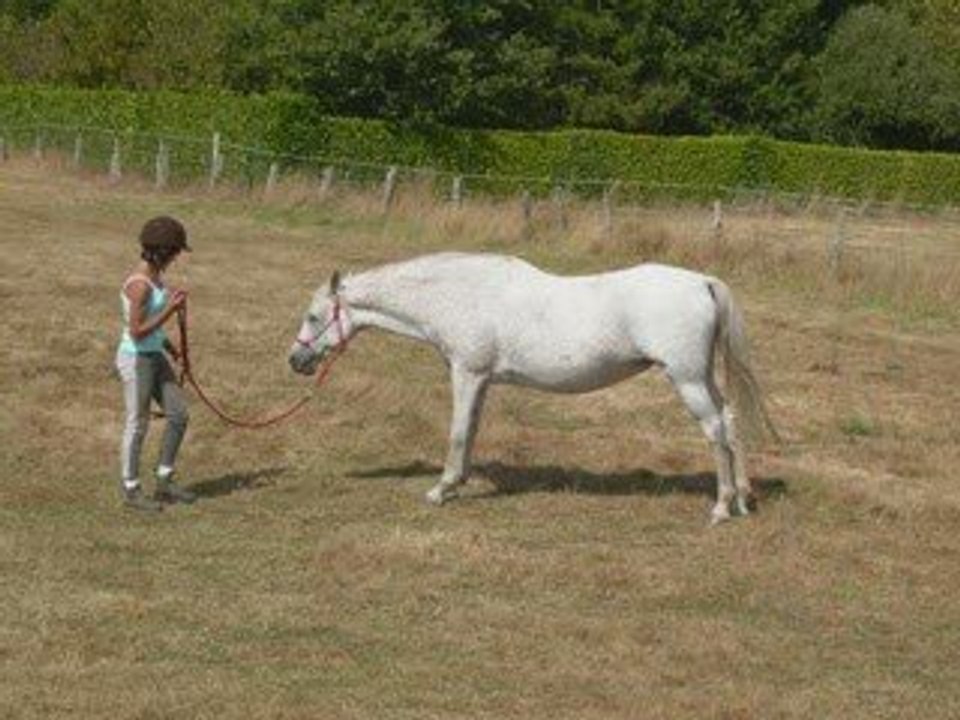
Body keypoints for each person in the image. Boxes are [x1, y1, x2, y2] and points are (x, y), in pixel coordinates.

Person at [115, 215, 196, 512]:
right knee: (138, 423)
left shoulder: (155, 278)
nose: (176, 258)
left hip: (154, 355)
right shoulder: (140, 285)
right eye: (175, 252)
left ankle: (164, 480)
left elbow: (151, 327)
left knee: (178, 414)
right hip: (136, 358)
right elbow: (136, 330)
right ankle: (131, 488)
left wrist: (171, 348)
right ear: (164, 252)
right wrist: (171, 310)